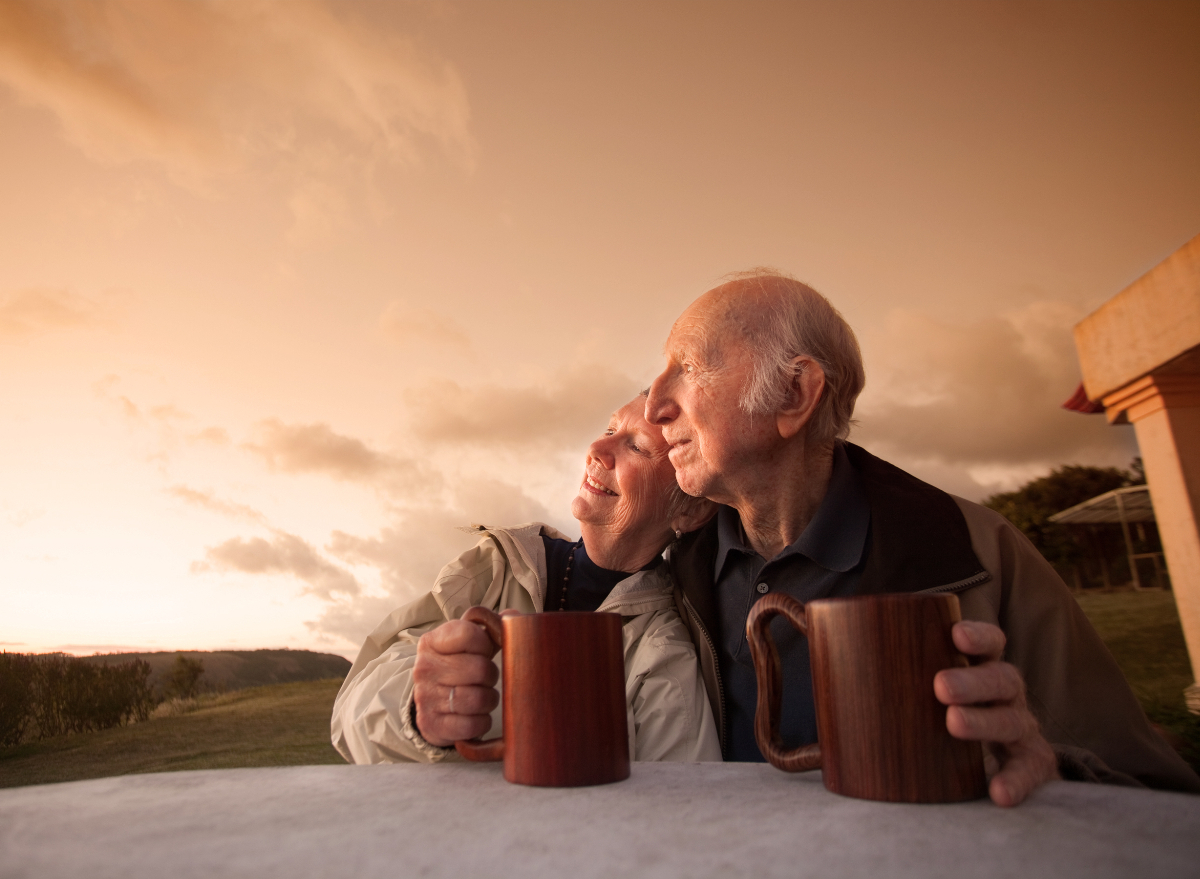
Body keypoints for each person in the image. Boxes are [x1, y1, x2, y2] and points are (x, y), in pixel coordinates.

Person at [644, 269, 1200, 804]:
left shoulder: (979, 550)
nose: (654, 405)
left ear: (795, 393)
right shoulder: (671, 568)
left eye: (689, 367)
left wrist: (1049, 774)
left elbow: (1157, 797)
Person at [331, 394, 721, 764]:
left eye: (636, 446)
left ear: (690, 510)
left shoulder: (662, 653)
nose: (597, 451)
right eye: (609, 430)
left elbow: (676, 809)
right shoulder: (494, 567)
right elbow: (349, 716)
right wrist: (415, 711)